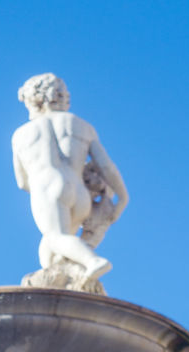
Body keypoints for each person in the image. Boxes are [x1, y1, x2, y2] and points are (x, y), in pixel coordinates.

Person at [13, 74, 129, 282]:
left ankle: (93, 261)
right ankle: (66, 280)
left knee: (56, 236)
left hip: (47, 187)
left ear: (34, 100)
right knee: (50, 250)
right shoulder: (81, 126)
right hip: (79, 191)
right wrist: (122, 196)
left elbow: (22, 182)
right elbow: (105, 166)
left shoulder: (22, 134)